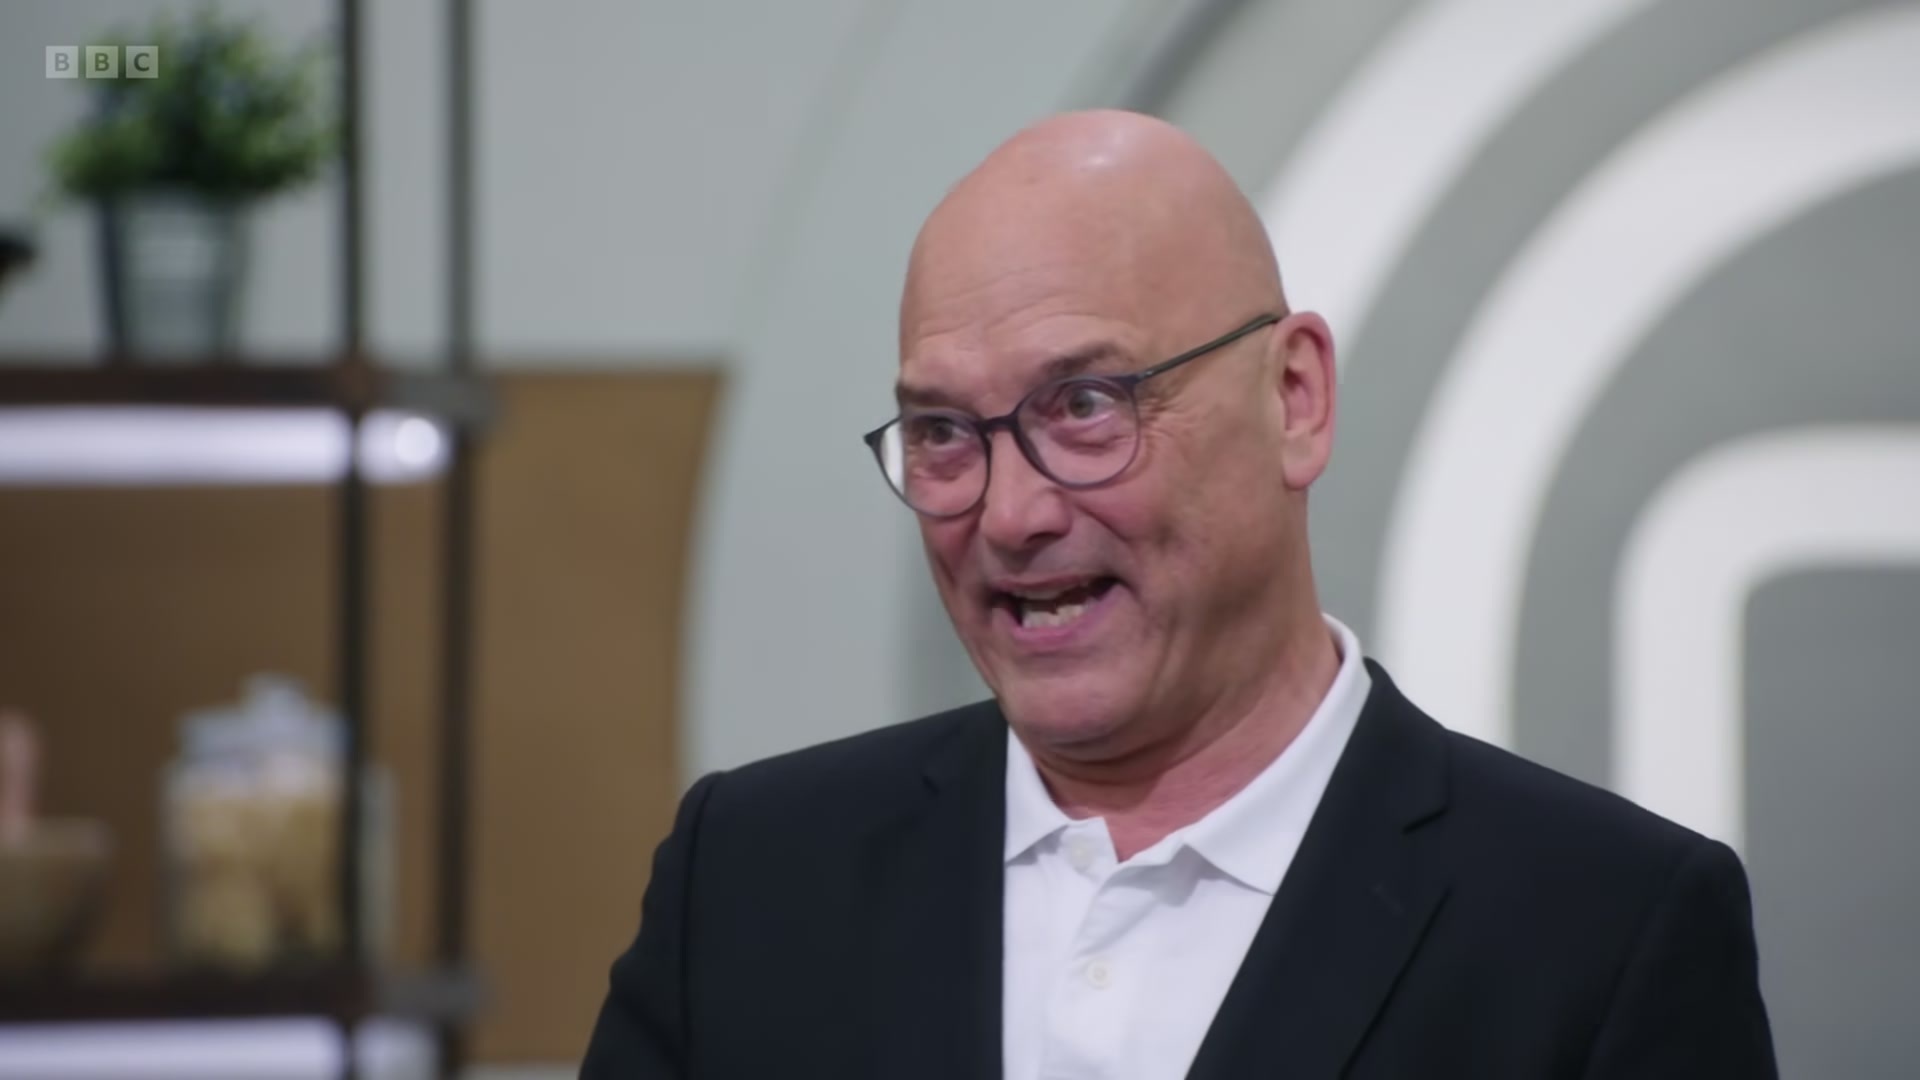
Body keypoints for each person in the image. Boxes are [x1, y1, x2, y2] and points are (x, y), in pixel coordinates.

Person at [581, 110, 1777, 1079]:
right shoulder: (748, 880)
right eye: (943, 432)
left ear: (1295, 398)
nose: (1010, 515)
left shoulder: (1605, 932)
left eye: (1085, 406)